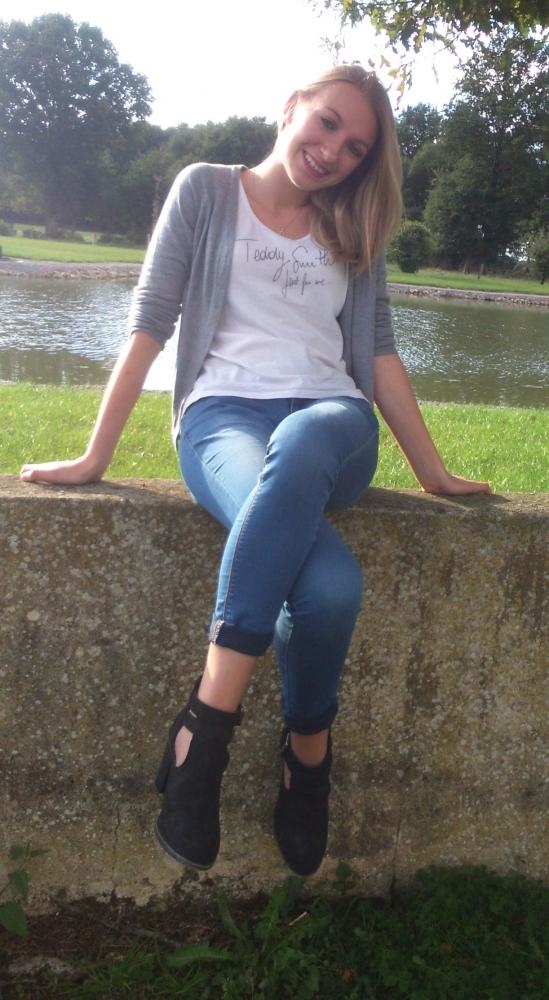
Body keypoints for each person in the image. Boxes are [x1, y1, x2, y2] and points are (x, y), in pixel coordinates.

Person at [20, 64, 490, 877]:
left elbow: (377, 352)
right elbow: (149, 324)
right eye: (328, 123)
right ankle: (307, 758)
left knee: (307, 435)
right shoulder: (205, 190)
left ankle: (204, 725)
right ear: (292, 107)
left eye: (356, 146)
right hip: (222, 419)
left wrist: (433, 471)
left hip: (332, 425)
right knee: (329, 587)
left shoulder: (353, 224)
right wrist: (97, 455)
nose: (334, 151)